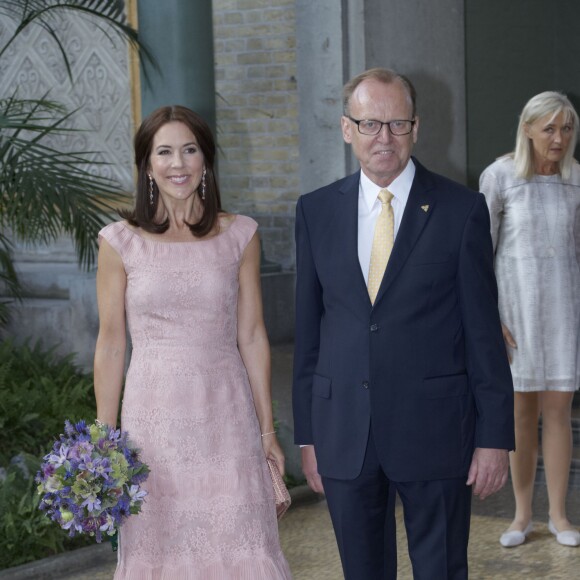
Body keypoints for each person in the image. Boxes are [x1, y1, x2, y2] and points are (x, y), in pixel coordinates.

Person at [292, 67, 515, 579]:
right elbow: (310, 335)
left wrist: (494, 436)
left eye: (396, 124)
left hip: (436, 432)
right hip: (344, 431)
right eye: (370, 124)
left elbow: (483, 332)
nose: (384, 138)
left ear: (416, 127)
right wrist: (308, 437)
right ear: (347, 128)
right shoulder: (316, 211)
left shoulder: (461, 210)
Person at [94, 105, 292, 578]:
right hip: (151, 425)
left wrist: (267, 430)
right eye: (164, 152)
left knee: (239, 545)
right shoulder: (119, 242)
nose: (178, 163)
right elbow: (111, 343)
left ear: (205, 160)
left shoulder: (239, 234)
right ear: (147, 165)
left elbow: (252, 335)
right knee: (160, 550)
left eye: (189, 149)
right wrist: (104, 439)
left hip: (225, 416)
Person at [479, 91, 580, 548]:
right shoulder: (499, 176)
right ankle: (521, 516)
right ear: (527, 129)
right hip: (514, 312)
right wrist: (489, 316)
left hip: (563, 311)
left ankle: (559, 516)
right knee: (522, 414)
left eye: (567, 129)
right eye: (550, 128)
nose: (559, 138)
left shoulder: (577, 178)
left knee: (558, 413)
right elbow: (480, 253)